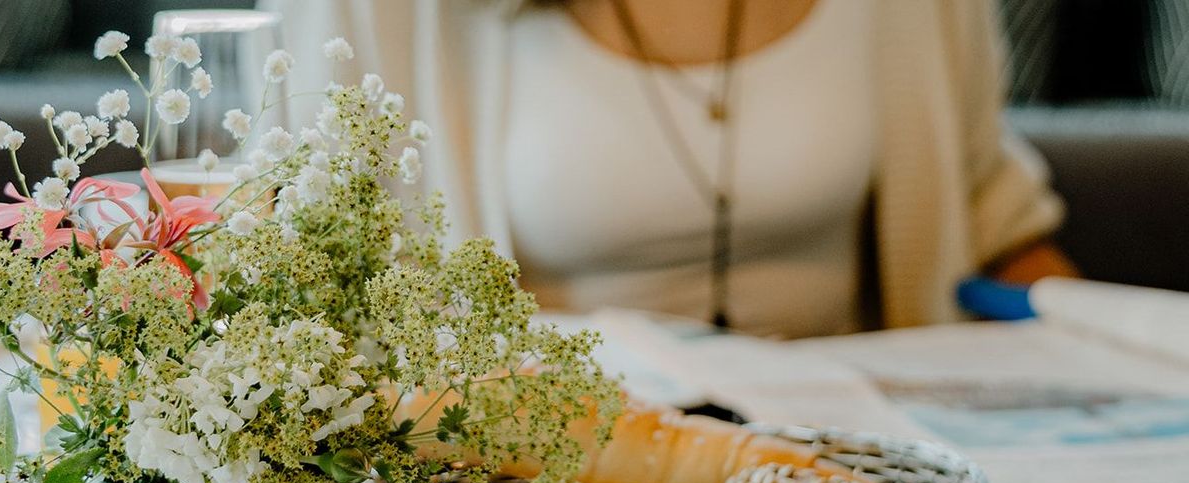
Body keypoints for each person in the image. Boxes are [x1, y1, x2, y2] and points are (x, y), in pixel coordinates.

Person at [268, 0, 1078, 337]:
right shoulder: (384, 13)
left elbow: (994, 227)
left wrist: (1126, 353)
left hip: (850, 479)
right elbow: (319, 279)